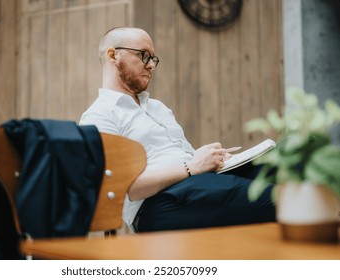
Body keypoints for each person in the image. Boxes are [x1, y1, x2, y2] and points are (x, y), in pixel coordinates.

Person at [80, 27, 275, 232]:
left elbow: (187, 159)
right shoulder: (99, 115)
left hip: (197, 183)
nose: (150, 65)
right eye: (143, 55)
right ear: (113, 55)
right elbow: (123, 189)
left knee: (287, 164)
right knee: (278, 198)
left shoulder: (158, 108)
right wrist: (191, 167)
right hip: (158, 204)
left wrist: (210, 160)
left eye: (153, 59)